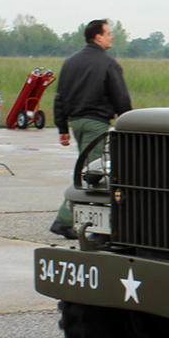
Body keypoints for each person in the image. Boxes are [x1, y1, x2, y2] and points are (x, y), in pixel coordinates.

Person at [50, 19, 133, 239]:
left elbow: (59, 97)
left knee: (89, 171)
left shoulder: (70, 62)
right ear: (98, 36)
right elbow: (121, 97)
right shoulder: (108, 64)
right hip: (96, 123)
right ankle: (68, 221)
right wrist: (129, 123)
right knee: (94, 174)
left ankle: (81, 221)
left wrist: (62, 127)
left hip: (76, 123)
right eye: (108, 33)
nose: (111, 36)